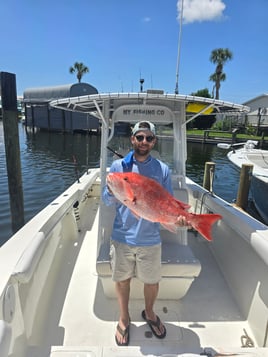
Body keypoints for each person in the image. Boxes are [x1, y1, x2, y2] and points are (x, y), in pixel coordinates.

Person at [102, 120, 190, 346]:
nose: (143, 141)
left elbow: (168, 201)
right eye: (139, 137)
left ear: (154, 142)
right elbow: (106, 199)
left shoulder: (162, 169)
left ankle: (149, 313)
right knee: (122, 280)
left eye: (149, 138)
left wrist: (179, 218)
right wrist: (115, 191)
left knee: (152, 282)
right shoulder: (118, 167)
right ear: (132, 139)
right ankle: (124, 318)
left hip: (151, 238)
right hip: (122, 237)